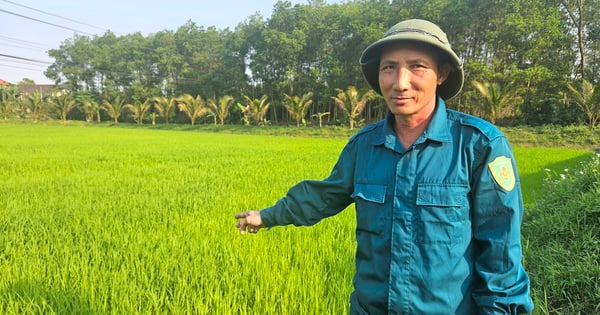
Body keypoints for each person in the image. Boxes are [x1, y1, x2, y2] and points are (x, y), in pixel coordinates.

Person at [235, 19, 534, 314]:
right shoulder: (364, 146)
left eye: (417, 66)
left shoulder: (479, 145)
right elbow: (325, 195)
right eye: (389, 67)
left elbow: (501, 251)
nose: (400, 82)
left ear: (441, 74)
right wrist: (266, 216)